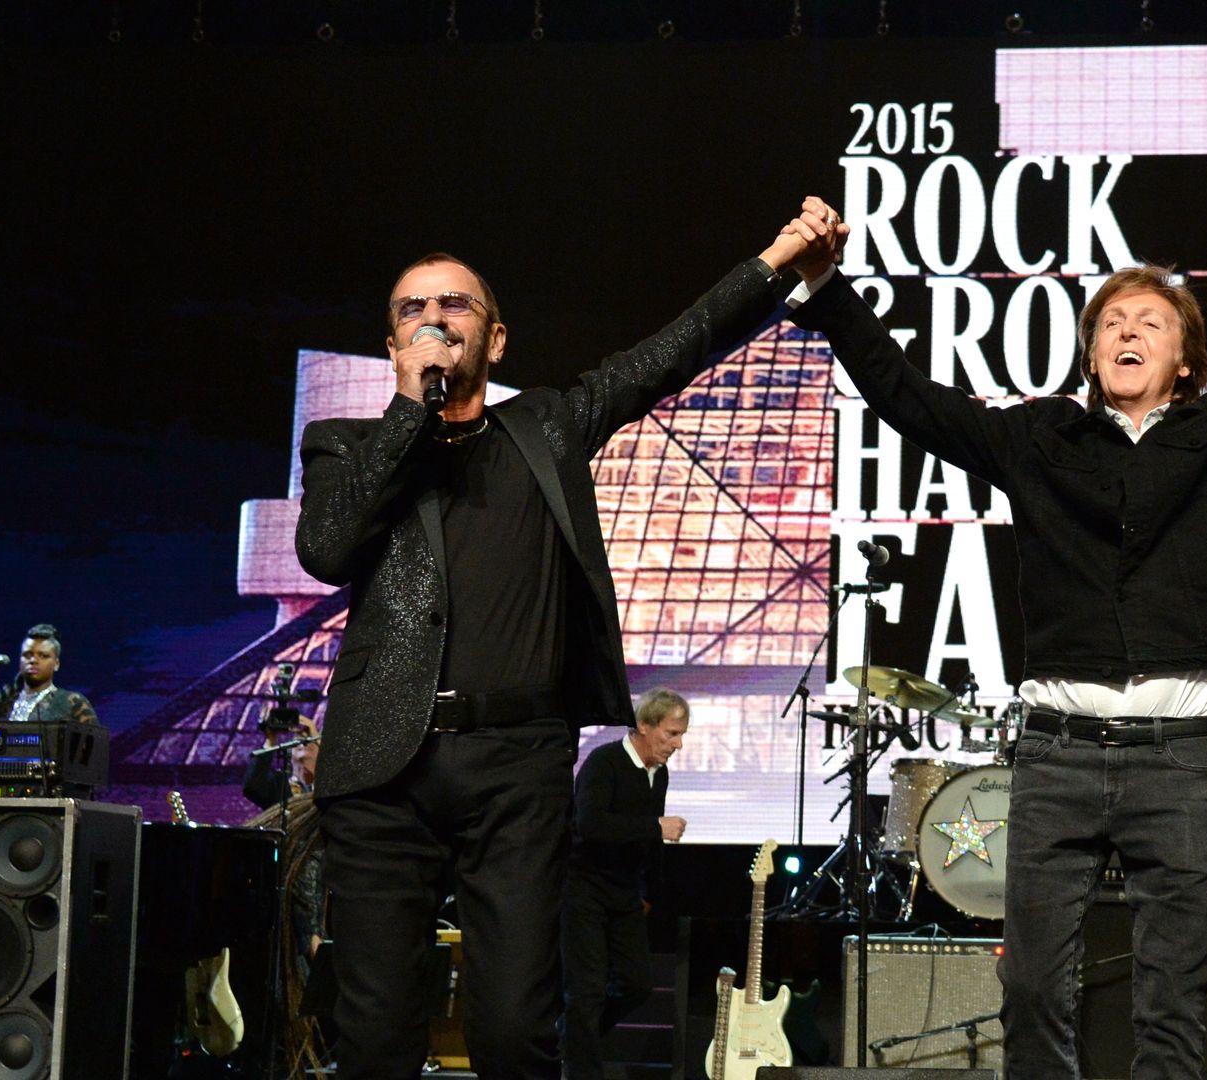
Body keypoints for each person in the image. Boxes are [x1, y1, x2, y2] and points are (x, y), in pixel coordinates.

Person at [782, 147, 1207, 1073]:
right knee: (1034, 993)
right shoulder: (1039, 437)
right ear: (1091, 352)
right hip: (1055, 754)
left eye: (1152, 322)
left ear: (1184, 355)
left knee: (1174, 1004)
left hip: (1185, 760)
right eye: (1111, 323)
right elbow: (910, 403)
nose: (1128, 332)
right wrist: (828, 285)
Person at [293, 205, 835, 1080]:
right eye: (412, 310)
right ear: (393, 345)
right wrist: (406, 412)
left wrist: (777, 261)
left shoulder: (544, 429)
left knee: (513, 1029)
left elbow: (674, 349)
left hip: (515, 769)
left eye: (456, 306)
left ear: (496, 339)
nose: (435, 320)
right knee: (377, 1035)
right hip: (382, 773)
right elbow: (326, 550)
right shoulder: (343, 444)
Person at [562, 688, 689, 1079]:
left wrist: (648, 891)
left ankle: (570, 1040)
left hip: (624, 893)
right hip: (584, 889)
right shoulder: (605, 763)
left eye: (681, 734)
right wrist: (655, 827)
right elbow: (591, 826)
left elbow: (644, 843)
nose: (678, 744)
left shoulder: (659, 773)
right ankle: (582, 1069)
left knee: (637, 985)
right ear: (644, 726)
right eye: (671, 733)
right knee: (587, 992)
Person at [0, 623, 98, 725]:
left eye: (43, 656)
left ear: (56, 664)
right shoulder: (1, 702)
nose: (33, 660)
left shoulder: (71, 702)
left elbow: (94, 745)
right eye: (27, 655)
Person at [243, 713, 321, 810]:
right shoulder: (279, 785)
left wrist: (315, 733)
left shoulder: (328, 785)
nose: (303, 741)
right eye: (298, 740)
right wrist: (271, 740)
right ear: (290, 753)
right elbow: (252, 787)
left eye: (309, 739)